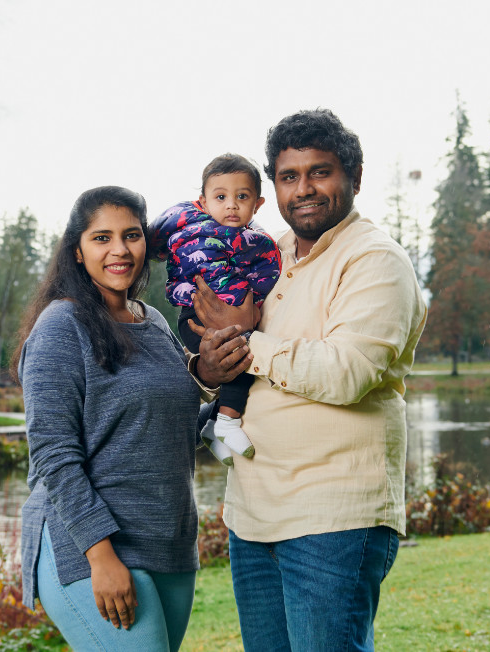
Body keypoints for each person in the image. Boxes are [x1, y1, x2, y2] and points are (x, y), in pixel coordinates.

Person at [191, 109, 428, 651]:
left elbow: (347, 373)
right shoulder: (262, 255)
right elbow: (225, 356)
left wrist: (247, 344)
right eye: (288, 176)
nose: (304, 189)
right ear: (272, 185)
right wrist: (209, 363)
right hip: (252, 516)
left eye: (320, 172)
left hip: (334, 516)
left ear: (354, 177)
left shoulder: (375, 261)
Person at [10, 186, 202, 652]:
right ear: (77, 251)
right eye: (102, 238)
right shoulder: (61, 325)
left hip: (169, 542)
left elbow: (172, 425)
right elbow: (54, 456)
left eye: (131, 235)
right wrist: (101, 556)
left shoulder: (153, 321)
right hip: (92, 548)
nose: (120, 250)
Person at [150, 153, 281, 465]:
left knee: (246, 353)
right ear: (204, 201)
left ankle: (214, 425)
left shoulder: (257, 240)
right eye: (221, 197)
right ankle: (226, 422)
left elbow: (269, 271)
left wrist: (255, 307)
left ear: (258, 204)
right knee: (239, 354)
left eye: (242, 197)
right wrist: (154, 251)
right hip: (194, 316)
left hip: (237, 313)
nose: (231, 205)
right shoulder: (185, 217)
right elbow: (153, 234)